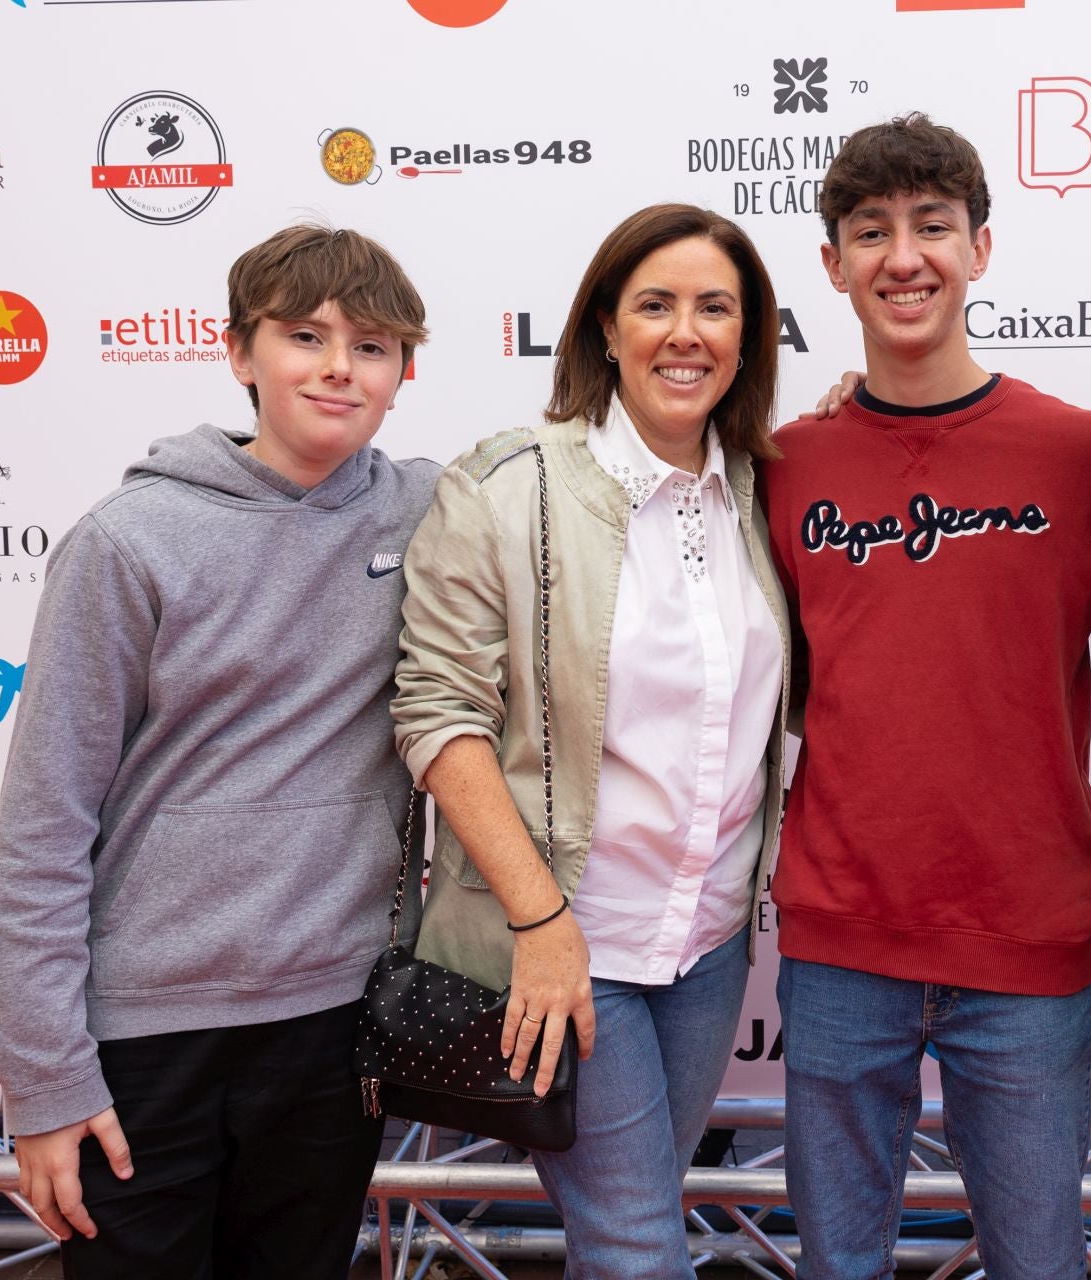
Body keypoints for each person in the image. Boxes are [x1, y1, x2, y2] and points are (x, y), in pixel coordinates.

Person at [0, 225, 436, 1277]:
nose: (337, 365)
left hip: (335, 1024)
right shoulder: (128, 541)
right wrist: (48, 1084)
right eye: (303, 335)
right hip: (146, 1035)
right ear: (240, 354)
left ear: (404, 374)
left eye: (371, 346)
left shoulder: (429, 512)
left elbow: (572, 475)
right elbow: (44, 828)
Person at [759, 114, 1091, 1279]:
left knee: (1038, 1260)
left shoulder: (1084, 457)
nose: (903, 256)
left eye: (932, 225)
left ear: (982, 246)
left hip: (1022, 935)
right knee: (837, 1265)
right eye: (870, 231)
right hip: (837, 938)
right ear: (831, 266)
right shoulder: (782, 467)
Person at [390, 203, 789, 1279]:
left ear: (749, 337)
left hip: (707, 948)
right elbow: (438, 713)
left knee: (632, 1223)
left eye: (717, 306)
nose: (686, 331)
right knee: (638, 1248)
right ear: (605, 328)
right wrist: (541, 916)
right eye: (654, 304)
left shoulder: (762, 486)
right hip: (566, 941)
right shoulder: (506, 484)